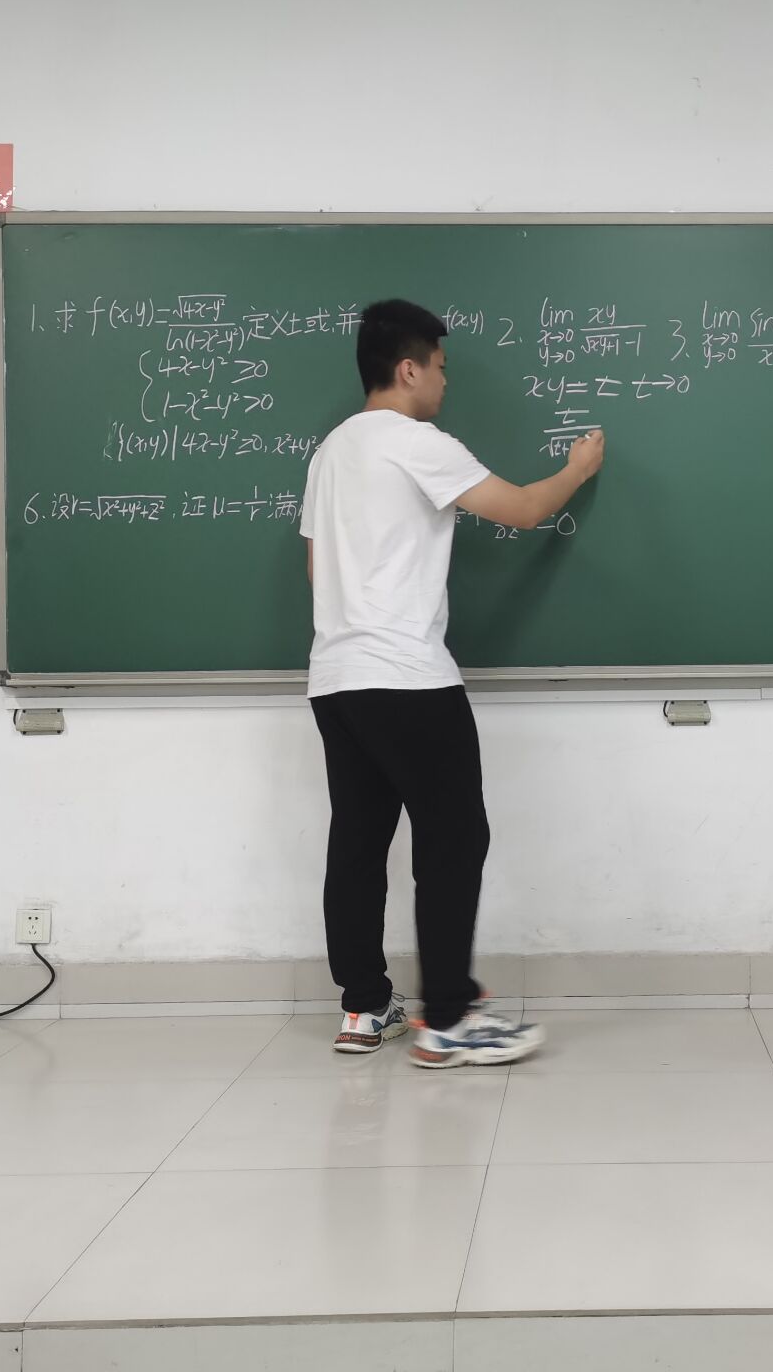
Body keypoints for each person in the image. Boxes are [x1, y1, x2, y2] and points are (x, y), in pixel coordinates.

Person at [300, 299, 604, 1067]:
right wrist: (578, 469)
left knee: (359, 840)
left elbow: (315, 568)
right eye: (439, 367)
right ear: (408, 369)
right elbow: (524, 509)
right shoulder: (415, 443)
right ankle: (446, 1018)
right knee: (453, 836)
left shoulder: (331, 451)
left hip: (336, 676)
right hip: (406, 676)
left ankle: (365, 1007)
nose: (445, 381)